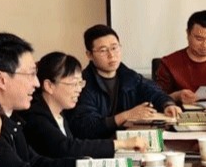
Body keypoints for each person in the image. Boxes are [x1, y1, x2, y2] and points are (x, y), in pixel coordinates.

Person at [0, 33, 142, 167]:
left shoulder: (12, 120)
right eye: (30, 74)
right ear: (1, 79)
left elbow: (39, 163)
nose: (36, 83)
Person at [17, 52, 146, 160]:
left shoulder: (60, 113)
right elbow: (67, 148)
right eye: (74, 84)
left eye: (80, 83)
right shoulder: (35, 116)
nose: (79, 89)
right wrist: (121, 144)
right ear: (49, 86)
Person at [70, 25, 181, 139]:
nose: (111, 55)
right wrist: (126, 116)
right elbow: (86, 127)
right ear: (89, 55)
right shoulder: (82, 85)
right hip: (100, 145)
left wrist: (168, 104)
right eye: (103, 50)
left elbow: (153, 91)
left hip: (129, 141)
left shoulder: (129, 76)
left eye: (114, 48)